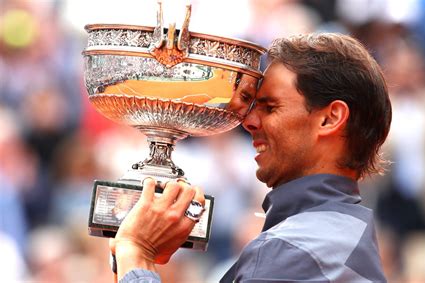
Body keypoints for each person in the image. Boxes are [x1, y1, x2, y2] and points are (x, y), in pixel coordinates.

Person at [110, 33, 392, 282]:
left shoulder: (293, 250)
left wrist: (137, 253)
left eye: (270, 108)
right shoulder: (342, 234)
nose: (249, 121)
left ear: (330, 118)